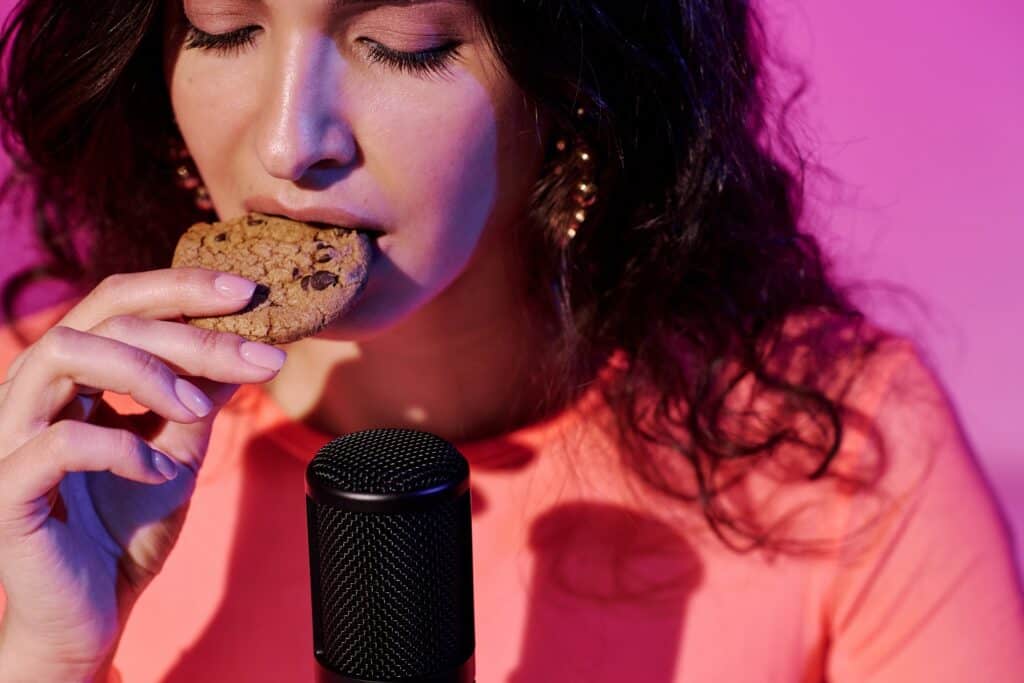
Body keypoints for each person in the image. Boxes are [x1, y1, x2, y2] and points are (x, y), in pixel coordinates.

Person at [0, 0, 1021, 680]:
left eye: (402, 38)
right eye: (222, 27)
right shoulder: (47, 435)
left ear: (569, 87)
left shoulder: (833, 442)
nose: (285, 140)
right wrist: (47, 654)